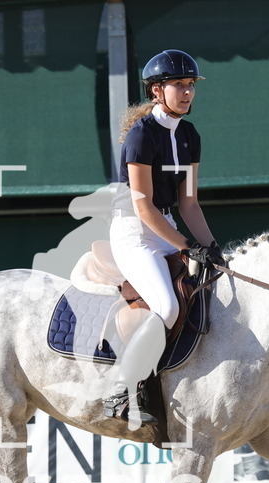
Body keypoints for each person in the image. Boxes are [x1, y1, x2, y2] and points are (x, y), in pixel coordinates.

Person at [104, 49, 225, 427]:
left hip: (166, 224)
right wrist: (187, 247)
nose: (187, 92)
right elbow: (143, 209)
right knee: (168, 307)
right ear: (157, 90)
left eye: (190, 85)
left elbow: (189, 205)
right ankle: (122, 387)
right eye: (178, 85)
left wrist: (214, 249)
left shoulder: (189, 135)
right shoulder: (141, 136)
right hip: (133, 231)